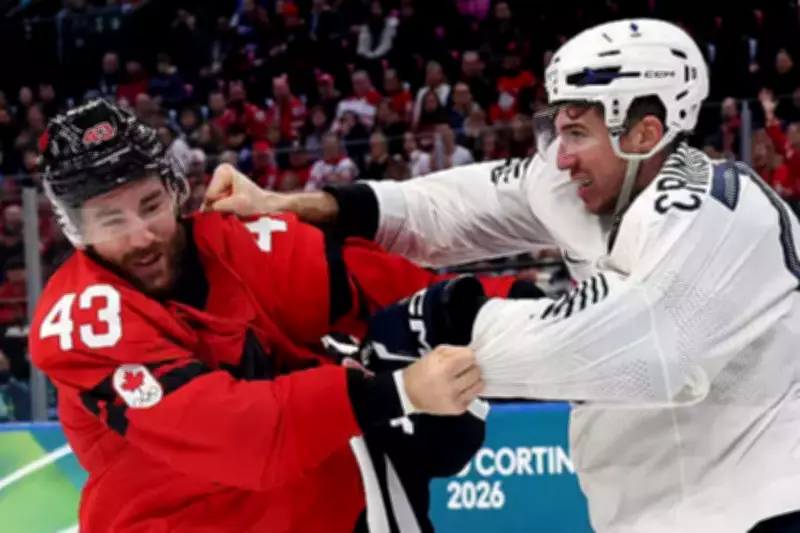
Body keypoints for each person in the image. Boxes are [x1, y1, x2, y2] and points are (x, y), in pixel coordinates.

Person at [204, 19, 800, 533]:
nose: (561, 156)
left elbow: (632, 346)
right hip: (659, 514)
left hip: (761, 509)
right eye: (558, 129)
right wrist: (290, 205)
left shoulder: (714, 207)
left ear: (645, 133)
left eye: (577, 133)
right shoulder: (590, 185)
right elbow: (447, 209)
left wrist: (454, 321)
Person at [29, 100, 528, 533]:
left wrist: (530, 310)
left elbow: (403, 291)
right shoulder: (80, 322)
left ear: (174, 187)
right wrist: (401, 391)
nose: (141, 236)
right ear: (77, 230)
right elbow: (239, 437)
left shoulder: (248, 244)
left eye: (150, 205)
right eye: (111, 220)